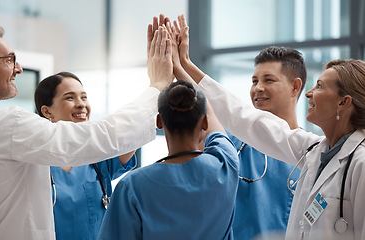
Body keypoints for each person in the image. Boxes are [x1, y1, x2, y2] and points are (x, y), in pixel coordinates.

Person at [0, 23, 172, 239]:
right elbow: (100, 136)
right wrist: (157, 86)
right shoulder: (9, 125)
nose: (18, 68)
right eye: (9, 59)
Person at [175, 13, 365, 240]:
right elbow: (241, 115)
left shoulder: (360, 163)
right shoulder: (313, 151)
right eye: (254, 81)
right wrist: (183, 65)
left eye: (320, 86)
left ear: (343, 102)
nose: (309, 93)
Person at [156, 13, 306, 239]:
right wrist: (181, 65)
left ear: (296, 87)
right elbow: (209, 105)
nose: (258, 89)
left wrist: (183, 65)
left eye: (268, 80)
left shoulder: (309, 153)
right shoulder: (234, 143)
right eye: (254, 81)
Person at [97, 79, 239, 240]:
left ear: (159, 122)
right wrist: (181, 63)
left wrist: (159, 81)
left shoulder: (133, 186)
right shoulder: (226, 165)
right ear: (205, 122)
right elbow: (213, 119)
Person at [34, 71, 137, 240]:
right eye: (70, 98)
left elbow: (134, 131)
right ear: (47, 111)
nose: (81, 104)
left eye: (84, 97)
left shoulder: (98, 156)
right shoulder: (34, 160)